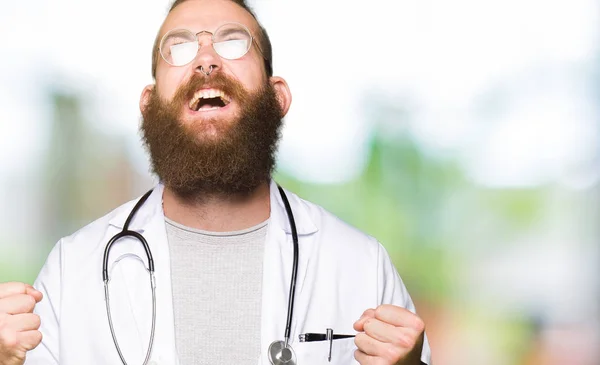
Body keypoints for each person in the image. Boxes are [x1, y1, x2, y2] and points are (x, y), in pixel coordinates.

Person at [0, 0, 432, 364]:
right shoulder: (72, 269)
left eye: (231, 40)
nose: (206, 59)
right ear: (148, 106)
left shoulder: (360, 266)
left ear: (277, 96)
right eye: (180, 46)